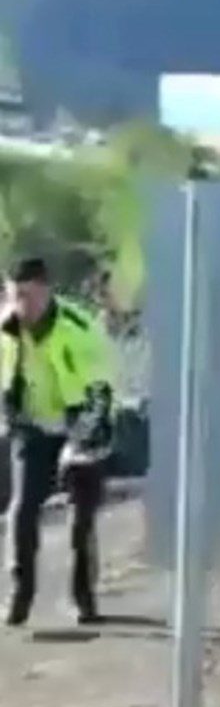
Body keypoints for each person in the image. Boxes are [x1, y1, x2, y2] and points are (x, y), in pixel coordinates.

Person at [0, 257, 116, 626]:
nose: (24, 307)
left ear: (47, 291)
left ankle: (84, 599)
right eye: (16, 296)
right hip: (34, 427)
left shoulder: (79, 331)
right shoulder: (5, 329)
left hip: (85, 422)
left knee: (80, 517)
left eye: (30, 298)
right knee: (22, 509)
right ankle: (20, 595)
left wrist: (77, 445)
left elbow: (100, 396)